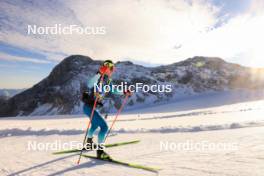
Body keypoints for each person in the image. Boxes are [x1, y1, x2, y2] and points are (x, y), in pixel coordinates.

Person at [82, 60, 130, 160]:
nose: (112, 70)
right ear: (106, 68)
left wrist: (124, 92)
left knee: (95, 125)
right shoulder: (98, 77)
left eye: (113, 69)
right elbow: (90, 84)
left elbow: (114, 90)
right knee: (104, 127)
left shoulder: (108, 81)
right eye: (111, 68)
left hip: (92, 107)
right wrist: (99, 73)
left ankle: (89, 144)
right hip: (88, 107)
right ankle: (100, 152)